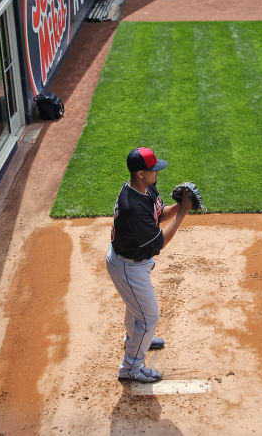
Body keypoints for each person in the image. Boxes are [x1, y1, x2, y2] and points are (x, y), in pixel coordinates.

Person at [106, 147, 192, 382]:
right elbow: (159, 241)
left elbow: (159, 214)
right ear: (141, 173)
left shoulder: (144, 188)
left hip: (131, 261)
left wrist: (180, 205)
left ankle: (134, 338)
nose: (158, 173)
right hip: (127, 266)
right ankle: (131, 368)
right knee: (148, 317)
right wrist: (182, 214)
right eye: (153, 170)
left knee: (138, 309)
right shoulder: (132, 207)